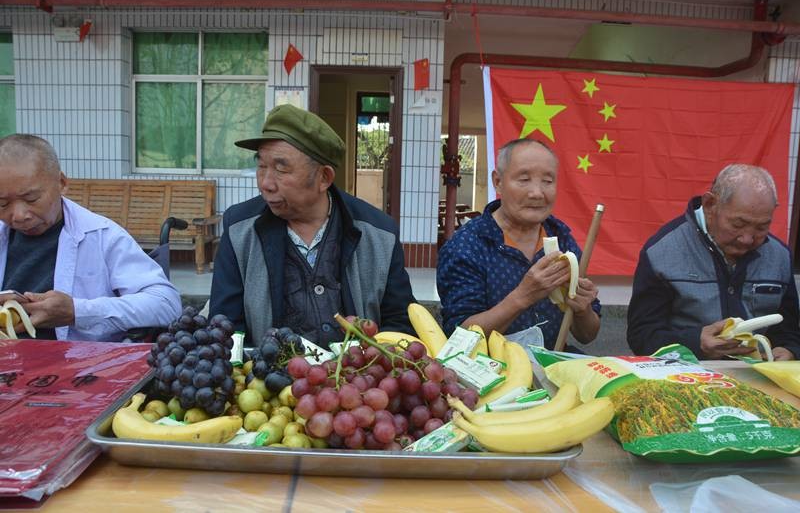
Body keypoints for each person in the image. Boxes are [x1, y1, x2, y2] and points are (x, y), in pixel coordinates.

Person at [209, 104, 414, 347]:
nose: (266, 183)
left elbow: (399, 325)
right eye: (261, 166)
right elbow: (226, 328)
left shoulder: (379, 234)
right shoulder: (239, 230)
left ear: (324, 178)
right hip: (270, 380)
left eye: (281, 168)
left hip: (355, 380)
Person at [0, 134, 182, 341]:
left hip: (78, 367)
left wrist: (78, 312)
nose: (18, 215)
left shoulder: (103, 236)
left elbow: (166, 304)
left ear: (61, 183)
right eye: (3, 204)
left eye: (31, 198)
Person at [437, 138, 601, 350]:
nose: (537, 193)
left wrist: (582, 309)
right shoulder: (467, 245)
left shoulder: (561, 237)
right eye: (524, 179)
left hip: (551, 364)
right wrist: (523, 296)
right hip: (488, 371)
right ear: (498, 182)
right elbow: (459, 337)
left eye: (548, 181)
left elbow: (588, 334)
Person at [627, 164, 800, 360]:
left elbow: (790, 331)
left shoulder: (779, 256)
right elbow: (641, 337)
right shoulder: (662, 251)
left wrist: (790, 350)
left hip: (760, 375)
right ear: (710, 205)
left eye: (762, 227)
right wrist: (695, 342)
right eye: (738, 224)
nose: (748, 239)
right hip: (685, 374)